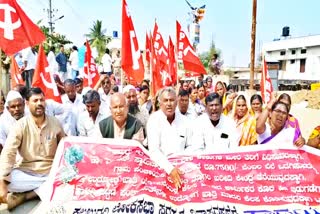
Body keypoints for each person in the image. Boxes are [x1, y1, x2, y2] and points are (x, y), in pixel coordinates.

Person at [0, 88, 65, 210]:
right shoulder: (20, 125)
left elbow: (66, 147)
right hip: (27, 173)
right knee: (7, 179)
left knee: (68, 177)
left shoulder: (55, 123)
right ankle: (47, 188)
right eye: (35, 100)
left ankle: (27, 196)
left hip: (50, 171)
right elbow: (9, 153)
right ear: (27, 103)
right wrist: (3, 182)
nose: (39, 103)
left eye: (42, 100)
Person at [147, 87, 192, 189]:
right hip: (160, 170)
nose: (169, 104)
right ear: (160, 103)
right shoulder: (153, 120)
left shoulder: (186, 122)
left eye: (171, 100)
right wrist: (170, 169)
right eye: (165, 100)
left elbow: (191, 146)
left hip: (182, 170)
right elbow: (154, 151)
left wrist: (181, 163)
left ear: (176, 102)